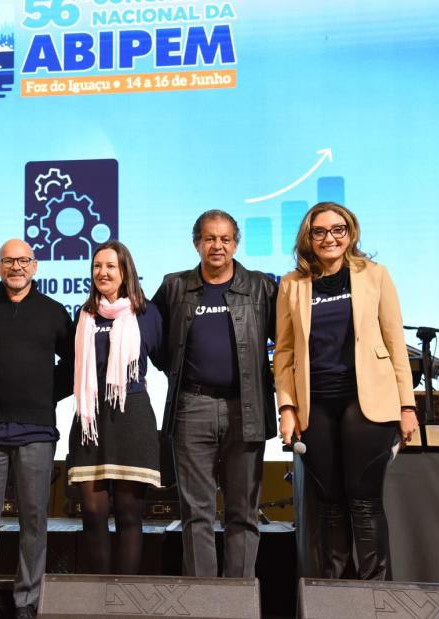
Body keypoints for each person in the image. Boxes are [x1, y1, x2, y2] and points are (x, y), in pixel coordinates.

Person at [274, 201, 418, 580]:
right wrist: (287, 408)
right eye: (319, 232)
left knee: (364, 499)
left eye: (338, 229)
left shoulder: (376, 275)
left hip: (368, 403)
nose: (329, 238)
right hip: (315, 404)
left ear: (350, 233)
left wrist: (407, 405)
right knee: (330, 502)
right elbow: (284, 352)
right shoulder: (291, 285)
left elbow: (395, 341)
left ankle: (374, 594)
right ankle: (334, 595)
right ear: (308, 238)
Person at [152, 210, 277, 578]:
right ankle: (205, 602)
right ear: (197, 243)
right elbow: (156, 340)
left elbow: (285, 346)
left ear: (236, 244)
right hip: (192, 407)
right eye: (210, 238)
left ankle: (236, 603)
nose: (217, 246)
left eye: (225, 239)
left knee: (243, 512)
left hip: (247, 408)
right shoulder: (174, 287)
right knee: (196, 513)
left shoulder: (261, 287)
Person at [0, 239, 75, 619]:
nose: (16, 267)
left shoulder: (54, 312)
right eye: (9, 261)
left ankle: (27, 601)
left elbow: (77, 364)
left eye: (23, 261)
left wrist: (47, 395)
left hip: (37, 431)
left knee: (34, 521)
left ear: (35, 266)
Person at [67, 240, 164, 575]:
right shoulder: (84, 315)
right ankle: (98, 600)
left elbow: (166, 358)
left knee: (128, 515)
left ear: (125, 272)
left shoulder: (147, 314)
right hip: (91, 419)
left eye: (110, 266)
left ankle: (124, 599)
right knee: (93, 515)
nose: (102, 272)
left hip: (132, 417)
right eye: (97, 266)